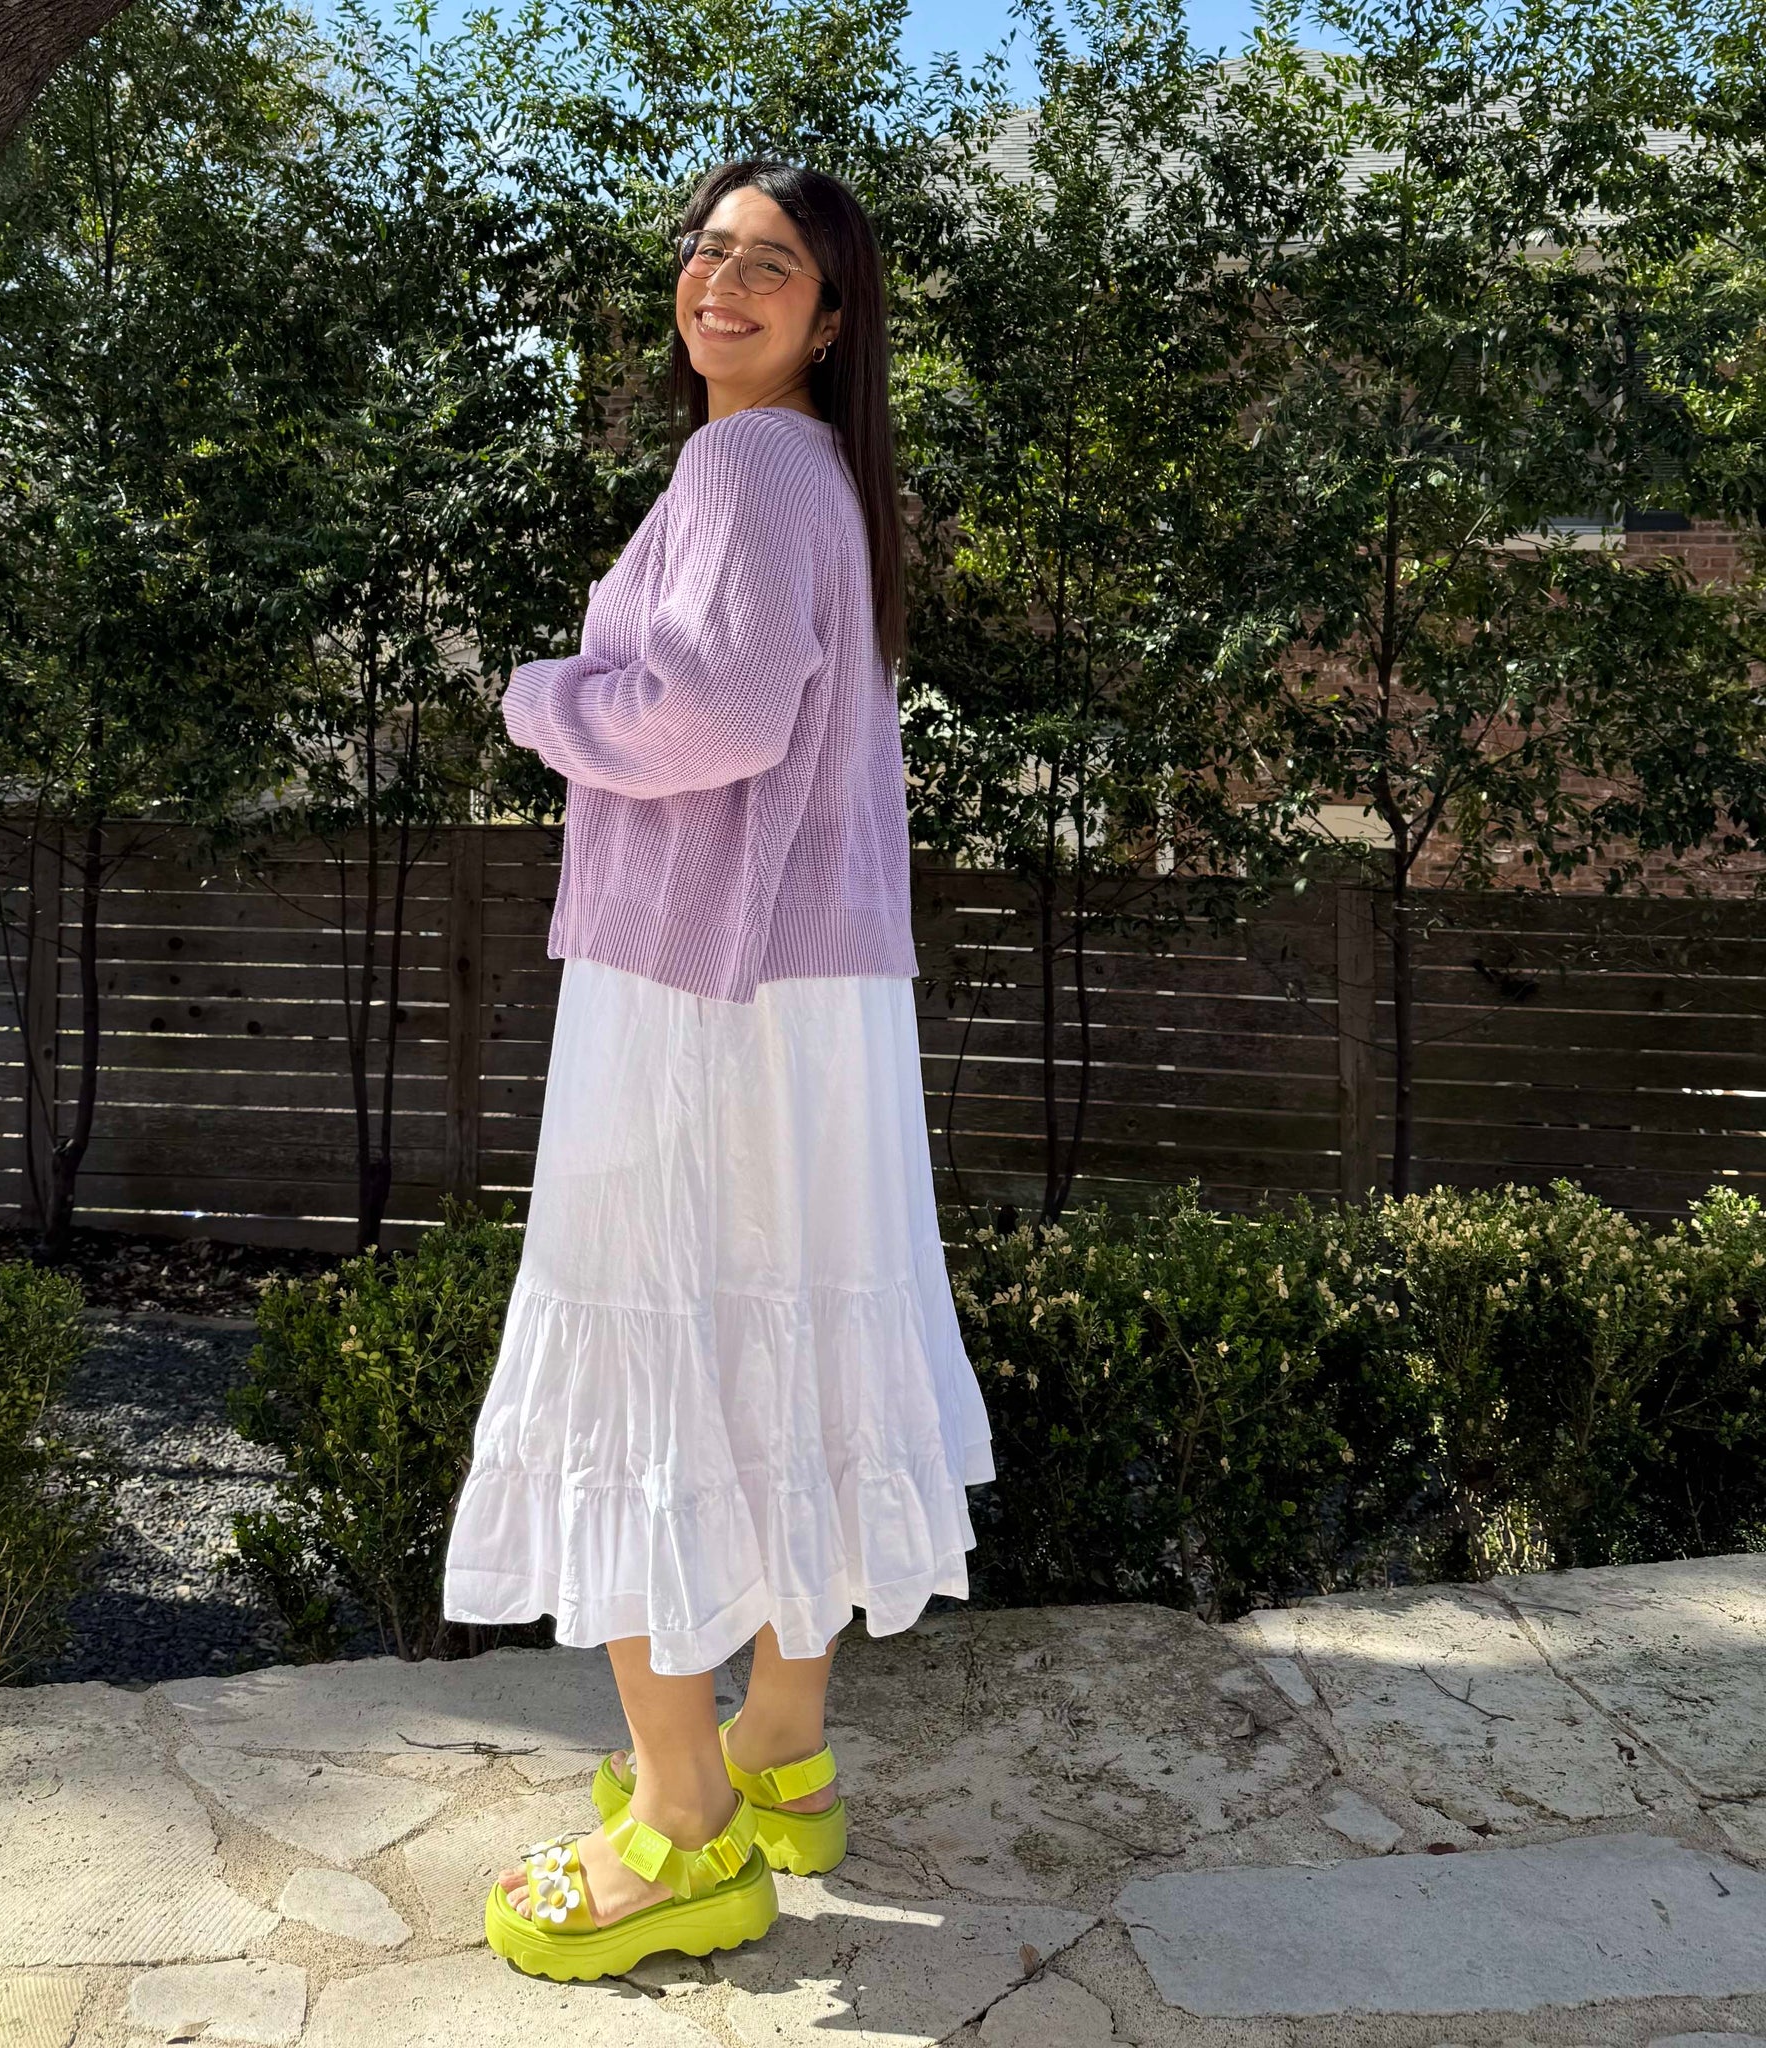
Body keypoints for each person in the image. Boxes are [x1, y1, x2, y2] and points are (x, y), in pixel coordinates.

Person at [442, 156, 994, 1983]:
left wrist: (541, 697)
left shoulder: (750, 465)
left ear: (831, 321)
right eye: (710, 248)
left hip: (698, 991)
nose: (724, 280)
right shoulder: (822, 477)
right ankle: (777, 1748)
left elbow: (715, 715)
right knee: (784, 1328)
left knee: (650, 1338)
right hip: (802, 998)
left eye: (773, 263)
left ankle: (682, 1826)